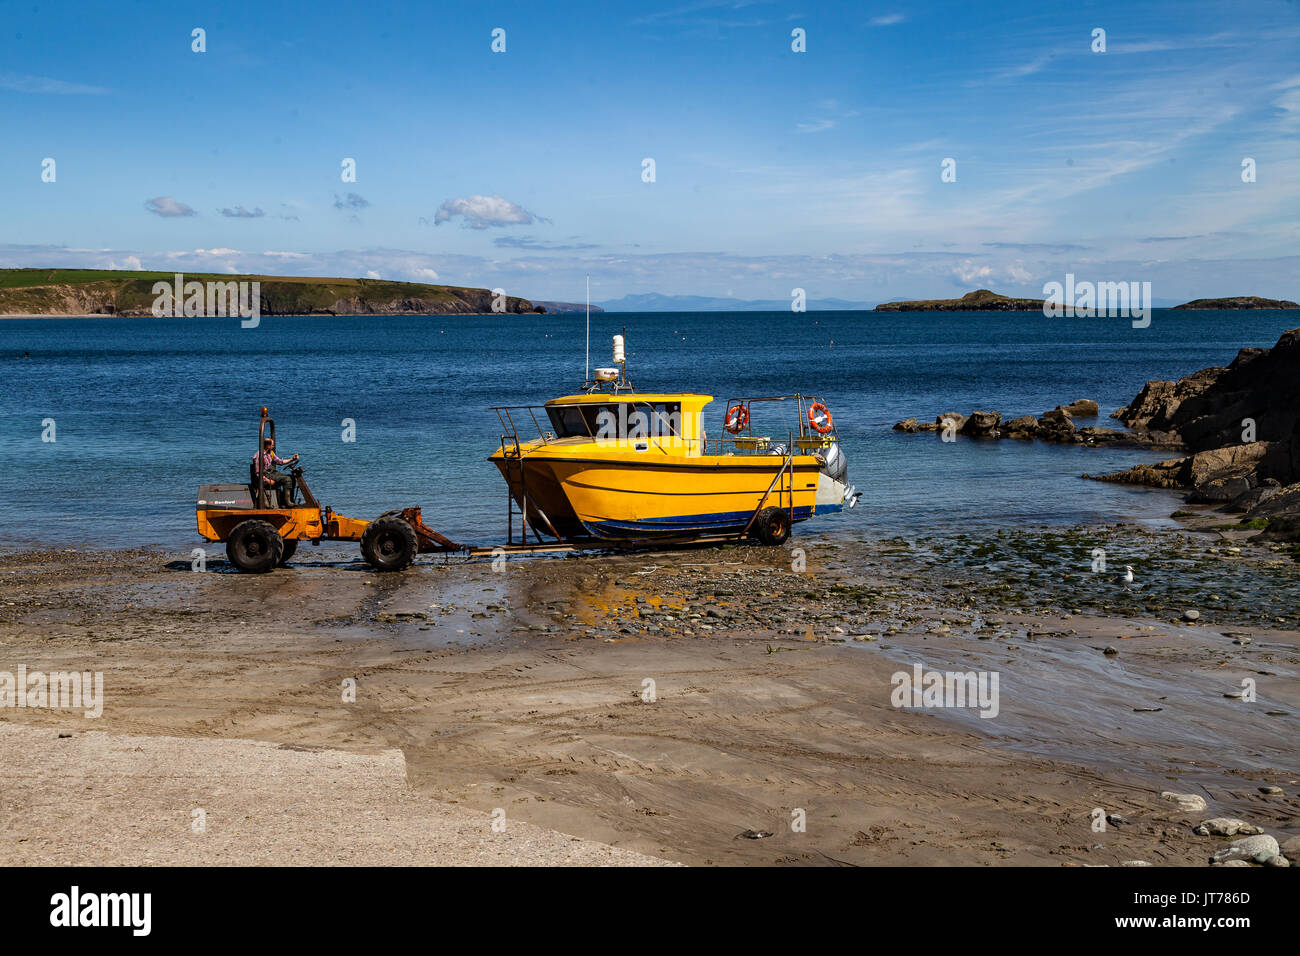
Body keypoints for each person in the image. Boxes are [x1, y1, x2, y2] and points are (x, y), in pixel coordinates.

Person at [252, 437, 299, 506]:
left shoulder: (270, 453)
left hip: (271, 473)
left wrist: (292, 459)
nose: (273, 446)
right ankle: (287, 503)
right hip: (265, 474)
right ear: (268, 446)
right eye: (272, 445)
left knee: (292, 478)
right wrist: (267, 480)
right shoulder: (259, 456)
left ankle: (289, 500)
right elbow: (258, 473)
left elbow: (280, 461)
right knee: (287, 479)